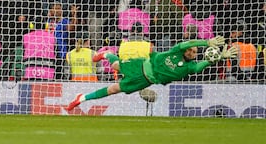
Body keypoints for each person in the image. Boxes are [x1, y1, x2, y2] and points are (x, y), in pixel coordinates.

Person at [66, 36, 237, 111]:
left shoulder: (189, 67)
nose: (194, 53)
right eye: (193, 51)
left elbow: (200, 67)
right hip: (141, 65)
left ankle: (81, 98)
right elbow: (187, 43)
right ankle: (106, 54)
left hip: (146, 81)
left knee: (114, 90)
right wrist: (206, 42)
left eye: (195, 52)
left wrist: (219, 57)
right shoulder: (177, 50)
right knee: (116, 65)